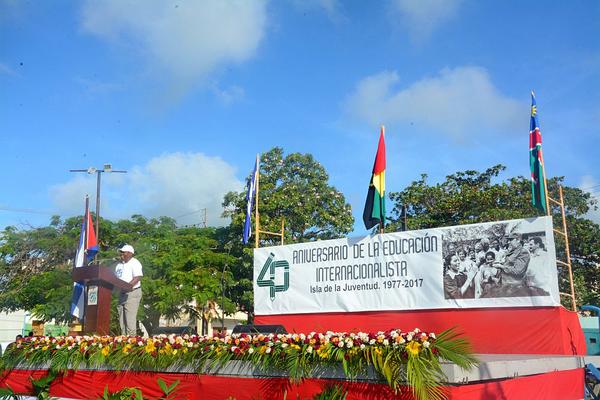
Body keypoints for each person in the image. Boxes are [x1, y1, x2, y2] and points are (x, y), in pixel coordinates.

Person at [114, 244, 143, 336]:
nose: (121, 254)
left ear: (130, 253)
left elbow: (137, 277)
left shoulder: (135, 263)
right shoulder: (118, 265)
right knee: (122, 321)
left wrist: (126, 287)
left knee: (129, 320)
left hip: (132, 293)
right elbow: (115, 279)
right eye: (120, 252)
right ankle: (123, 341)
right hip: (122, 293)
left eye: (123, 252)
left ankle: (132, 343)